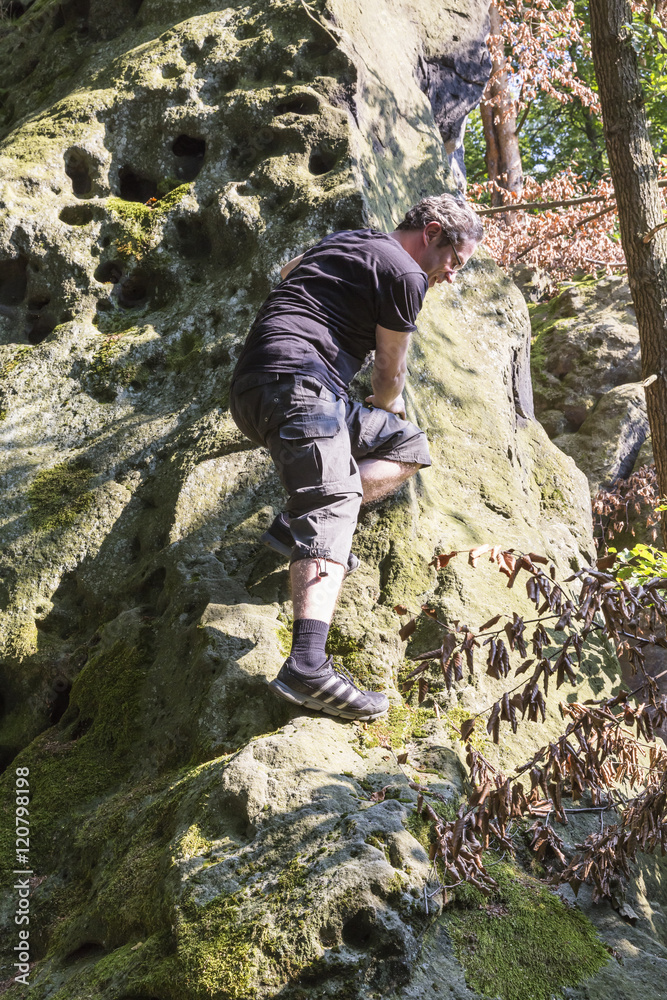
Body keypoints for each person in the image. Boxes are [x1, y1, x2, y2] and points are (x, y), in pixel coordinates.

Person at [229, 193, 483, 722]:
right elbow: (389, 374)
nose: (451, 276)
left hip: (255, 390)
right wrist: (383, 405)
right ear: (432, 232)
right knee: (336, 500)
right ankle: (307, 668)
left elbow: (287, 270)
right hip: (301, 385)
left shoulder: (349, 241)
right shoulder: (406, 275)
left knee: (408, 446)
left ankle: (292, 528)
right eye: (455, 261)